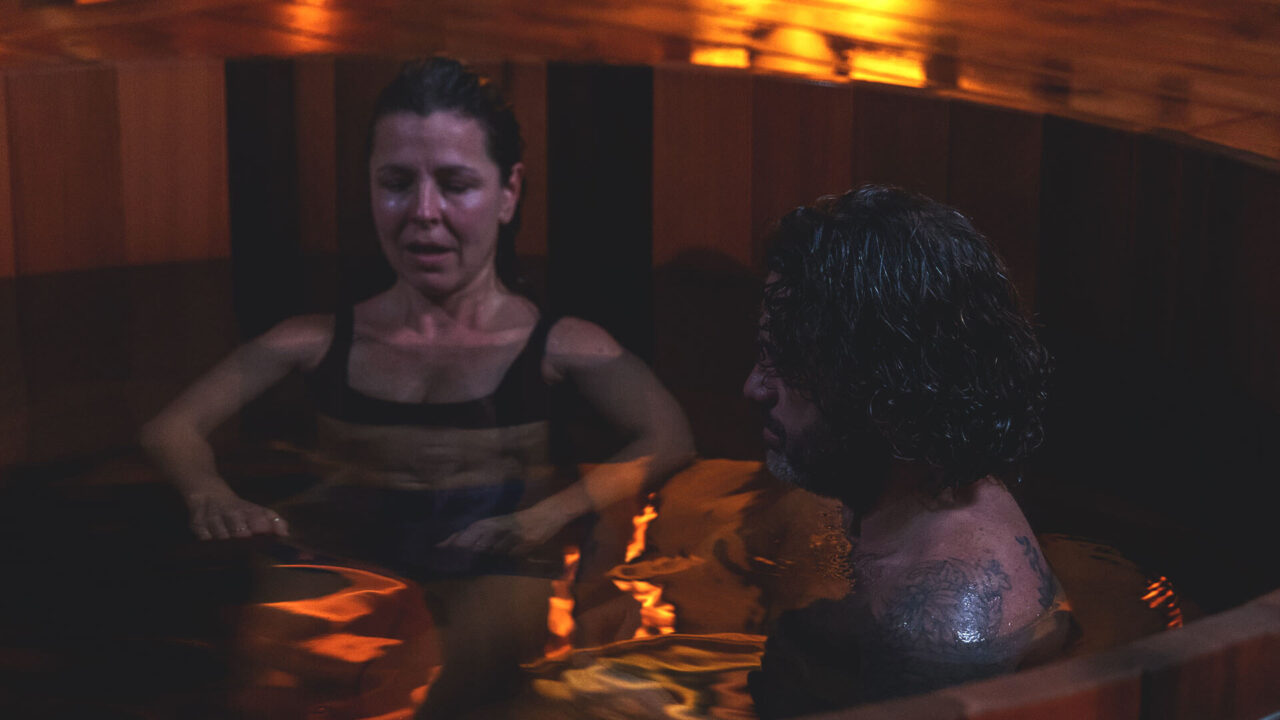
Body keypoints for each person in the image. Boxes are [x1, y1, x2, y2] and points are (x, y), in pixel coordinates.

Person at [140, 57, 693, 717]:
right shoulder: (312, 342)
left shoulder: (562, 347)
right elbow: (171, 428)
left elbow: (668, 435)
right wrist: (212, 495)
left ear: (509, 192)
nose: (423, 213)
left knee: (473, 690)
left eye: (456, 184)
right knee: (265, 694)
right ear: (369, 187)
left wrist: (549, 513)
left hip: (496, 558)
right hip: (341, 550)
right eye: (396, 182)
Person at [742, 186, 1074, 716]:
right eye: (764, 353)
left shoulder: (943, 619)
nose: (754, 388)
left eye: (788, 362)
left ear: (882, 393)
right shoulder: (875, 489)